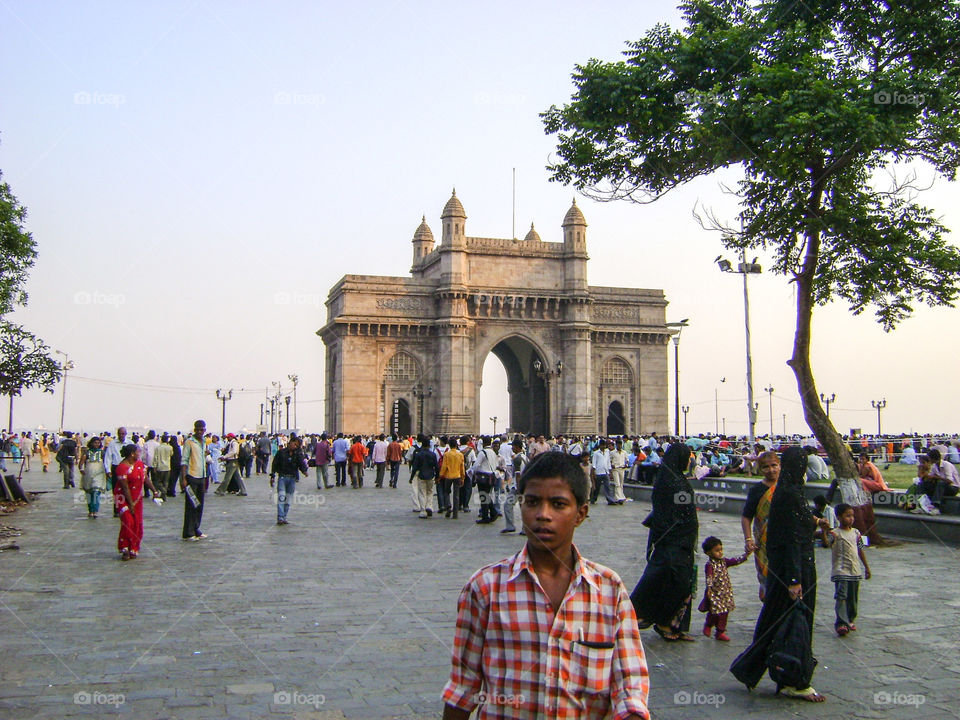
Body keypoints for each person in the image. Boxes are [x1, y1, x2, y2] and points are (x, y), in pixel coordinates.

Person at [441, 452, 650, 720]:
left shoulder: (610, 591)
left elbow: (630, 689)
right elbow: (462, 689)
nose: (543, 515)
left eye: (558, 504)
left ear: (580, 513)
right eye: (532, 502)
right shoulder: (484, 589)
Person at [730, 446, 830, 702]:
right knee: (798, 626)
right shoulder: (790, 495)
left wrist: (816, 522)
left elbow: (795, 527)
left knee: (774, 621)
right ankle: (797, 679)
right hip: (795, 571)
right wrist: (795, 580)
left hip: (780, 570)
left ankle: (750, 667)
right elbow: (792, 540)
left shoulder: (787, 493)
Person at [630, 443, 699, 642]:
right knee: (668, 580)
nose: (689, 461)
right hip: (673, 541)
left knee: (682, 582)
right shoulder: (672, 481)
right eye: (687, 457)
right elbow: (677, 511)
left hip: (679, 541)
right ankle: (655, 619)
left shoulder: (671, 478)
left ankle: (672, 624)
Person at [823, 503, 871, 636]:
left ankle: (850, 618)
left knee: (853, 597)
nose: (851, 518)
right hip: (841, 571)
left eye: (852, 516)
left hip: (854, 571)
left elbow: (861, 549)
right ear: (839, 517)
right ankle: (841, 623)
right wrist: (824, 532)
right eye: (847, 516)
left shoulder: (856, 533)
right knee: (841, 596)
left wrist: (866, 567)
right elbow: (827, 543)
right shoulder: (835, 533)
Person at [741, 451, 779, 601]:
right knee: (766, 580)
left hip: (784, 542)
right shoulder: (756, 491)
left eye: (774, 465)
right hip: (763, 544)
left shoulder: (787, 487)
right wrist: (748, 539)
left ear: (779, 465)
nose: (771, 470)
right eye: (766, 467)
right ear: (760, 469)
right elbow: (746, 517)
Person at [698, 536, 750, 642]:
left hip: (725, 593)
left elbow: (735, 561)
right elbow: (709, 577)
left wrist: (746, 555)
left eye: (721, 550)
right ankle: (708, 625)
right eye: (717, 551)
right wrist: (709, 589)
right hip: (714, 593)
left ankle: (720, 632)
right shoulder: (710, 565)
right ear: (709, 553)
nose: (720, 552)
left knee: (724, 613)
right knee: (714, 611)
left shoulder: (724, 562)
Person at [114, 444, 157, 560]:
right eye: (139, 452)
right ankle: (124, 548)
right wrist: (130, 504)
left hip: (137, 498)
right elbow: (125, 487)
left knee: (137, 523)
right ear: (132, 453)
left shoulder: (139, 465)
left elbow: (145, 478)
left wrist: (154, 491)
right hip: (123, 499)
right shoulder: (122, 468)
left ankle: (133, 547)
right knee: (128, 522)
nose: (140, 454)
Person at [180, 420, 210, 541]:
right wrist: (183, 478)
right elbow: (184, 460)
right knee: (191, 505)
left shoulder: (203, 442)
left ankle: (196, 528)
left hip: (201, 476)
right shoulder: (189, 442)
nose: (199, 432)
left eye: (201, 429)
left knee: (199, 505)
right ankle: (188, 532)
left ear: (204, 430)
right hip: (192, 477)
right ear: (194, 429)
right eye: (197, 429)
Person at [270, 435, 309, 525]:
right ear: (289, 443)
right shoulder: (281, 453)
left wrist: (304, 471)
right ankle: (280, 517)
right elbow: (274, 464)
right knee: (281, 497)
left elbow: (301, 464)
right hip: (282, 477)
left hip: (292, 479)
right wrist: (272, 476)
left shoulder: (297, 454)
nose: (295, 446)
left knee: (288, 500)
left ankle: (284, 517)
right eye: (294, 444)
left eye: (297, 445)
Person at [469, 436, 502, 525]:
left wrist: (470, 471)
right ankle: (492, 512)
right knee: (486, 495)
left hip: (483, 476)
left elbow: (476, 464)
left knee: (483, 496)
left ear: (483, 443)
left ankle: (486, 516)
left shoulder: (482, 452)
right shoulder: (493, 452)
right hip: (491, 476)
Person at [410, 434, 439, 518]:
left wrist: (411, 478)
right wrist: (437, 477)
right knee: (430, 492)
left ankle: (423, 511)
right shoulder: (433, 455)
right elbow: (436, 467)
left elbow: (415, 467)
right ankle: (429, 507)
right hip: (431, 475)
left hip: (421, 475)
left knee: (422, 493)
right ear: (429, 445)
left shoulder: (419, 455)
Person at [78, 436, 107, 518]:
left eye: (98, 443)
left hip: (99, 475)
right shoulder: (87, 453)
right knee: (89, 493)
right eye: (95, 443)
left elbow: (106, 462)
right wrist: (81, 469)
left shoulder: (102, 453)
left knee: (96, 492)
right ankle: (90, 510)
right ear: (91, 443)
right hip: (88, 475)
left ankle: (95, 510)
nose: (96, 444)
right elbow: (81, 463)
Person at [438, 437, 465, 518]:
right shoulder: (460, 455)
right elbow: (462, 467)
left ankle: (448, 505)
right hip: (457, 476)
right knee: (456, 495)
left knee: (446, 492)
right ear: (456, 445)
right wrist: (463, 477)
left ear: (449, 445)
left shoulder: (446, 454)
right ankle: (455, 514)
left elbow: (444, 466)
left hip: (448, 476)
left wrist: (440, 476)